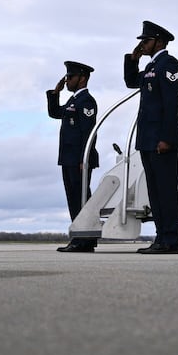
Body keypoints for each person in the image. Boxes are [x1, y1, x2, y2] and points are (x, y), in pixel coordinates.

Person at [123, 21, 178, 255]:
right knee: (155, 193)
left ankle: (171, 241)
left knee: (166, 192)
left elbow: (172, 102)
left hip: (162, 139)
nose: (142, 44)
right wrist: (133, 58)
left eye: (146, 41)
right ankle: (161, 238)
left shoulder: (168, 63)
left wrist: (167, 137)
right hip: (148, 138)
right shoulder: (151, 66)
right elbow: (131, 82)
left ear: (159, 41)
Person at [48, 60, 101, 253]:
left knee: (81, 200)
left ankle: (84, 239)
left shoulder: (86, 101)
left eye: (70, 77)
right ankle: (81, 238)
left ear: (82, 79)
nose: (67, 80)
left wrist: (83, 159)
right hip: (68, 158)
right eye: (67, 77)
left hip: (79, 160)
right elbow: (55, 113)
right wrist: (56, 93)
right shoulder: (72, 101)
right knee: (73, 199)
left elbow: (88, 133)